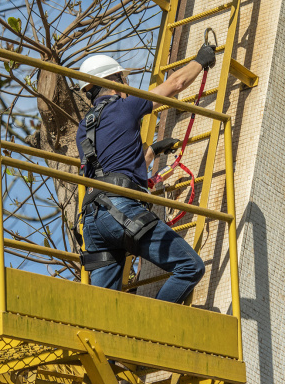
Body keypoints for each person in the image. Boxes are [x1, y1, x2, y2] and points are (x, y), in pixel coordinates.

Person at [74, 45, 216, 303]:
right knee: (190, 266)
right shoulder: (125, 106)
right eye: (123, 80)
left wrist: (151, 151)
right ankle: (154, 322)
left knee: (102, 306)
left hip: (93, 221)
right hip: (121, 209)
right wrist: (201, 60)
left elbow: (109, 166)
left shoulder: (83, 129)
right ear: (114, 82)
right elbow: (176, 83)